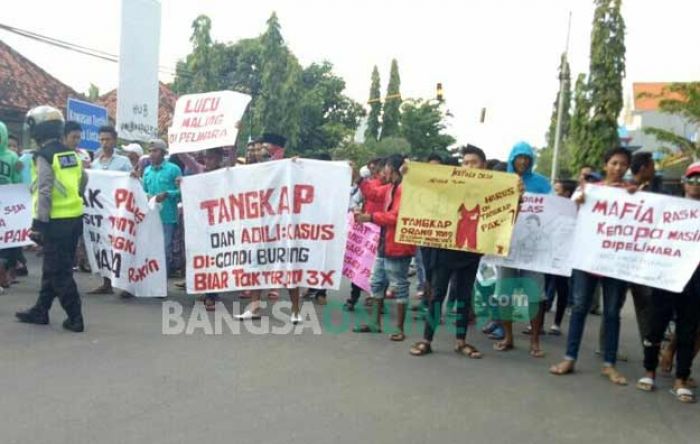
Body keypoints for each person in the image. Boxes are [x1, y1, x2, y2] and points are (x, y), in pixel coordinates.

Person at [550, 147, 633, 385]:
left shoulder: (632, 194)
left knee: (611, 313)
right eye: (614, 163)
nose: (618, 168)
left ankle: (609, 364)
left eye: (623, 164)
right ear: (606, 165)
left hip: (615, 262)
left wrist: (636, 196)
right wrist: (582, 197)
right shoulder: (588, 190)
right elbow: (573, 212)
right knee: (579, 309)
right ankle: (570, 357)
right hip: (587, 259)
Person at [409, 145, 487, 358]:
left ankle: (461, 341)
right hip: (445, 250)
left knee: (463, 296)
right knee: (437, 295)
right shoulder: (450, 184)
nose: (469, 166)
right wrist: (411, 176)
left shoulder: (493, 190)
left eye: (474, 162)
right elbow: (425, 193)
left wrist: (517, 196)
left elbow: (505, 218)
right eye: (466, 163)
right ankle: (427, 339)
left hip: (471, 252)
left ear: (484, 166)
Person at [15, 106, 87, 332]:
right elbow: (83, 180)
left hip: (55, 222)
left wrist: (38, 224)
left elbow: (44, 191)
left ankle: (75, 317)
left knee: (59, 271)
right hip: (74, 218)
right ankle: (41, 309)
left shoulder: (44, 156)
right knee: (52, 266)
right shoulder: (70, 153)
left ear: (38, 132)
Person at [636, 162, 700, 403]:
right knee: (656, 325)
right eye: (692, 179)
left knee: (687, 329)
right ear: (684, 182)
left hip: (695, 280)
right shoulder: (668, 206)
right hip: (666, 275)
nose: (696, 184)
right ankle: (649, 371)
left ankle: (681, 379)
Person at [494, 141, 550, 358]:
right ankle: (508, 337)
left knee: (535, 294)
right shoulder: (501, 182)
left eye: (527, 157)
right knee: (504, 294)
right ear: (512, 158)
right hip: (506, 246)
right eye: (519, 157)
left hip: (533, 249)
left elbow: (554, 209)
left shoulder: (542, 183)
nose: (523, 161)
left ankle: (535, 340)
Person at [354, 154, 415, 340]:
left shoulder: (405, 190)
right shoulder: (391, 188)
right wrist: (357, 178)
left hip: (398, 244)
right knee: (377, 282)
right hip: (385, 242)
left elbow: (397, 217)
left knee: (399, 285)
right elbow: (372, 193)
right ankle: (375, 323)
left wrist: (371, 217)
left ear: (394, 169)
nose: (383, 172)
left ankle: (399, 329)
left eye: (386, 168)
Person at [87, 126, 133, 295]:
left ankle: (126, 285)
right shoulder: (95, 163)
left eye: (107, 139)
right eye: (101, 140)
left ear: (114, 141)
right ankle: (106, 282)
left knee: (121, 247)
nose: (104, 143)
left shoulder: (123, 162)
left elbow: (132, 183)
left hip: (118, 211)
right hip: (100, 213)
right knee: (103, 247)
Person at [142, 139, 182, 277]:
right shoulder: (146, 171)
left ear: (163, 153)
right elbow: (143, 190)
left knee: (165, 249)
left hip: (167, 216)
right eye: (150, 151)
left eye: (155, 151)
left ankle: (162, 281)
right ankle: (151, 279)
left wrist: (167, 194)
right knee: (150, 248)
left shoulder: (174, 169)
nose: (152, 154)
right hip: (150, 216)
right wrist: (146, 196)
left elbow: (182, 191)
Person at [544, 179, 576, 335]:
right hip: (546, 251)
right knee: (543, 286)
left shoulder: (575, 209)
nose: (553, 193)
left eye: (557, 190)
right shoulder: (549, 206)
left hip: (564, 255)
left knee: (561, 287)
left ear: (567, 193)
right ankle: (537, 322)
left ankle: (557, 323)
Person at [0, 121, 23, 290]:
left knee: (8, 241)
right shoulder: (13, 157)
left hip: (8, 206)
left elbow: (18, 180)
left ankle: (6, 270)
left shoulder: (13, 158)